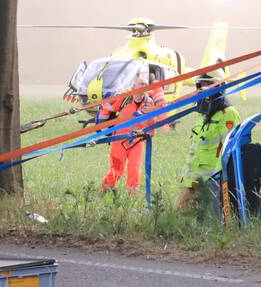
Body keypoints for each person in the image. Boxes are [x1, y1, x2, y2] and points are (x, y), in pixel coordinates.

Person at [175, 69, 241, 212]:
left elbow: (232, 150)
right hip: (192, 178)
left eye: (208, 85)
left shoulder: (228, 114)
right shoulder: (202, 114)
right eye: (201, 85)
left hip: (212, 181)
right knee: (178, 214)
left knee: (210, 220)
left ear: (219, 86)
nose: (203, 89)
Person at [99, 72, 166, 195]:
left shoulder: (149, 102)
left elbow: (152, 122)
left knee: (134, 168)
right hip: (119, 138)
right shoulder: (124, 98)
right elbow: (108, 107)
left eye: (146, 84)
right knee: (117, 169)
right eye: (141, 83)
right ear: (134, 86)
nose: (144, 85)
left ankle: (132, 194)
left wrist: (150, 132)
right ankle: (106, 186)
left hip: (137, 140)